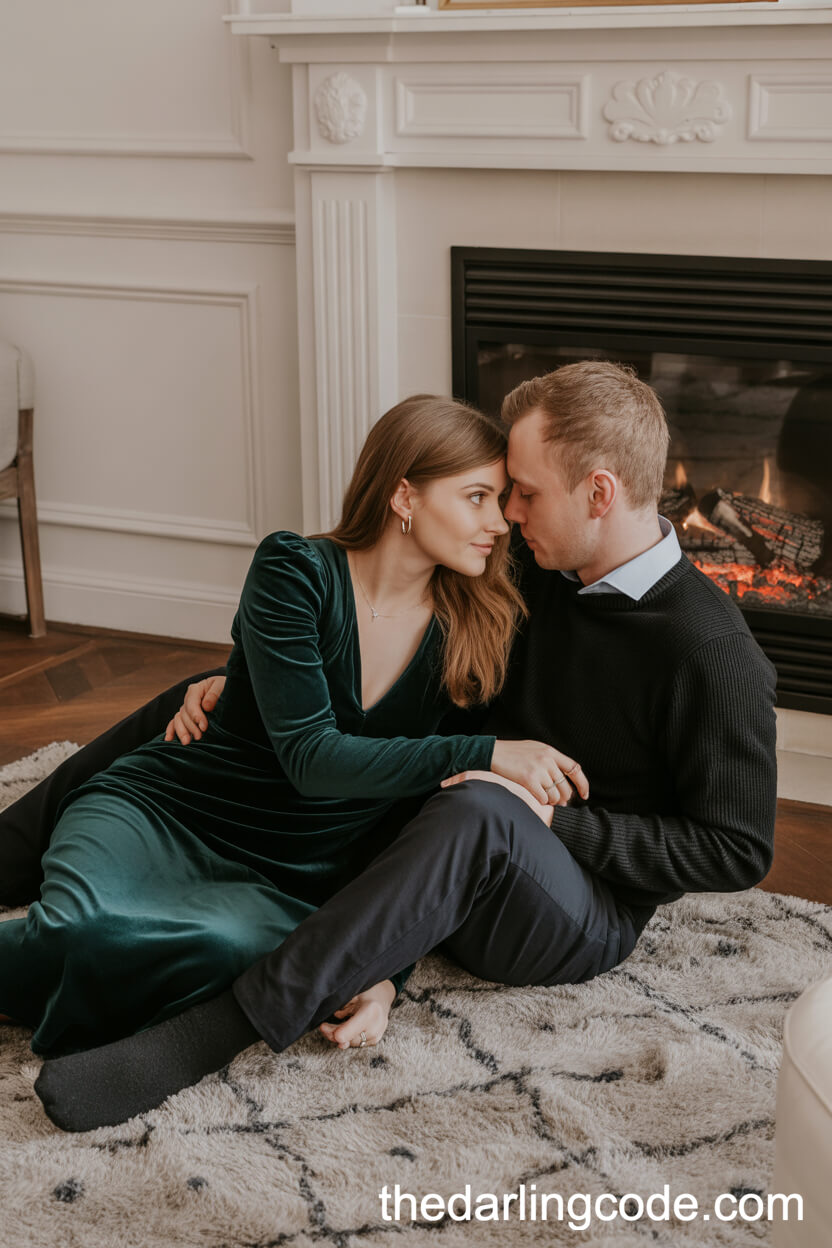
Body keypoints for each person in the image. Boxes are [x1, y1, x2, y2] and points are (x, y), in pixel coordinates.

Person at [9, 361, 777, 1133]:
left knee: (479, 801)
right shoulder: (530, 569)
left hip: (578, 908)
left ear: (599, 493)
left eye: (526, 493)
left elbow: (736, 852)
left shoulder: (711, 652)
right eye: (501, 493)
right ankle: (12, 846)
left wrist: (553, 822)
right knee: (230, 714)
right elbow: (390, 667)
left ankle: (213, 1033)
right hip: (453, 853)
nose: (508, 513)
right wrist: (247, 681)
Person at [0, 394, 587, 1102]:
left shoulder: (476, 629)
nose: (500, 524)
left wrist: (384, 976)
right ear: (404, 493)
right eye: (477, 498)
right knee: (82, 928)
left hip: (290, 882)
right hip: (169, 815)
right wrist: (488, 753)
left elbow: (423, 826)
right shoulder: (295, 570)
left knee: (244, 958)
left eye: (502, 501)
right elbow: (312, 759)